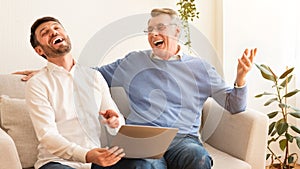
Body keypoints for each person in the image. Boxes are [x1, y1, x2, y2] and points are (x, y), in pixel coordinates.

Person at [19, 8, 257, 169]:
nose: (153, 34)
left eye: (160, 28)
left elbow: (234, 105)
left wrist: (241, 79)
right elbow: (87, 74)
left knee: (197, 158)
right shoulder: (132, 61)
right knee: (146, 165)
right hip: (140, 139)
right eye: (150, 30)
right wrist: (45, 72)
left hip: (182, 139)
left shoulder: (200, 68)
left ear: (176, 31)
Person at [26, 16, 165, 169]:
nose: (53, 32)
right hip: (57, 162)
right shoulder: (38, 83)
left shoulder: (94, 77)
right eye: (45, 32)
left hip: (96, 161)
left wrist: (114, 122)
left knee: (143, 164)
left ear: (66, 35)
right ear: (39, 50)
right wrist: (86, 155)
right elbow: (47, 136)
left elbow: (117, 122)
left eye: (56, 27)